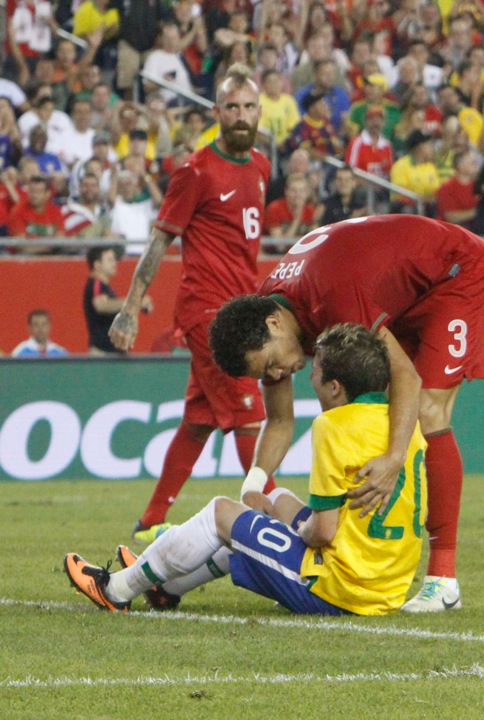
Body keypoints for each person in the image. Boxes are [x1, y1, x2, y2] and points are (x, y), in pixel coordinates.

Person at [209, 214, 484, 613]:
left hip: (456, 271)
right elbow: (279, 420)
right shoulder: (265, 318)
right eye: (265, 374)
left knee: (426, 410)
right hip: (398, 291)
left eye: (272, 365)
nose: (276, 376)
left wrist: (394, 458)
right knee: (366, 411)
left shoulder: (332, 297)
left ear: (274, 324)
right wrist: (253, 485)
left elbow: (407, 378)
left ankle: (443, 579)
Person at [64, 323, 428, 616]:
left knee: (221, 513)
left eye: (315, 371)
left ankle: (116, 589)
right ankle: (166, 587)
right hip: (386, 586)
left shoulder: (334, 425)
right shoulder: (405, 425)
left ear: (335, 387)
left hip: (341, 589)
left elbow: (322, 532)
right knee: (276, 500)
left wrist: (299, 533)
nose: (309, 376)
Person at [107, 63, 276, 546]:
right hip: (207, 311)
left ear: (259, 112)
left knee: (199, 420)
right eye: (232, 107)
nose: (241, 115)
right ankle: (273, 523)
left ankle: (151, 520)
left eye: (248, 107)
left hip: (240, 307)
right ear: (217, 112)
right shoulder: (196, 171)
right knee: (249, 415)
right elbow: (160, 242)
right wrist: (130, 306)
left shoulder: (261, 167)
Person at [83, 245, 153, 355]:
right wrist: (134, 302)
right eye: (109, 260)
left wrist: (137, 305)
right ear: (97, 265)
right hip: (102, 353)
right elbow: (101, 305)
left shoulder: (106, 288)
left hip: (114, 352)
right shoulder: (96, 284)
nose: (114, 263)